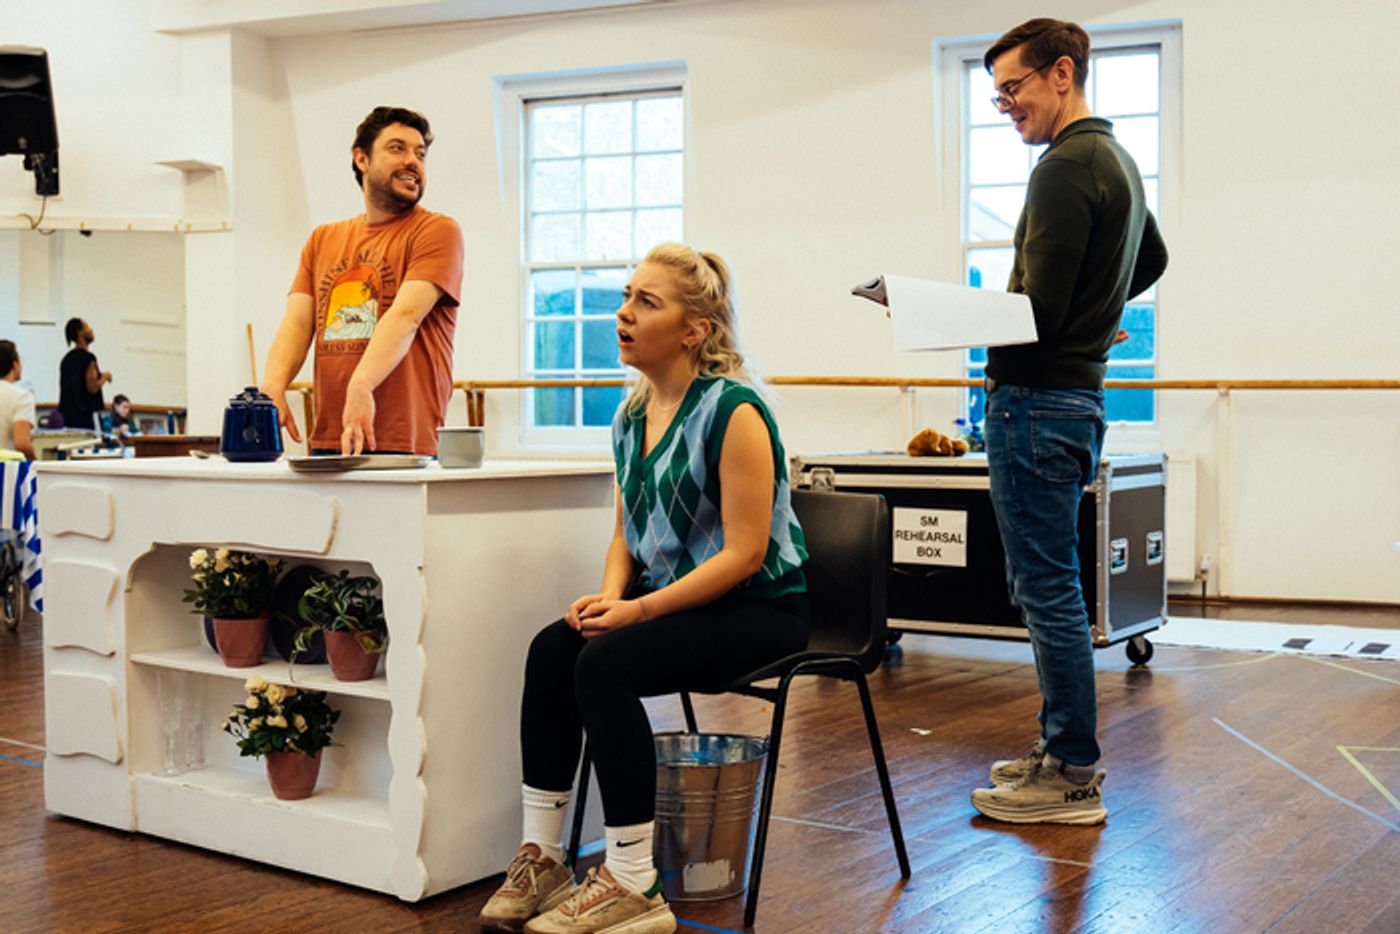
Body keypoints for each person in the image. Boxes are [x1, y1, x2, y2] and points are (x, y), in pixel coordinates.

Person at [479, 244, 811, 934]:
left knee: (606, 662)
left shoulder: (735, 412)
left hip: (760, 610)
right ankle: (542, 854)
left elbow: (747, 556)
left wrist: (634, 614)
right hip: (674, 605)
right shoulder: (630, 416)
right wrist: (607, 602)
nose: (623, 314)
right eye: (626, 297)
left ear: (694, 329)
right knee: (555, 648)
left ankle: (633, 879)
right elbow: (625, 535)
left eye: (646, 302)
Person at [970, 18, 1168, 825]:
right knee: (1047, 584)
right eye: (996, 95)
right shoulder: (1116, 160)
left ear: (1062, 73)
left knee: (1047, 590)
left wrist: (933, 313)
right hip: (1076, 401)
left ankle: (1073, 773)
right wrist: (1100, 317)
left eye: (1012, 89)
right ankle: (1060, 750)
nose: (1005, 106)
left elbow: (1037, 313)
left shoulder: (1061, 167)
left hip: (1033, 401)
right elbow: (1149, 259)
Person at [260, 106, 464, 456]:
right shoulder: (322, 240)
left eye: (420, 153)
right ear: (362, 159)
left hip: (403, 440)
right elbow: (296, 323)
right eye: (397, 148)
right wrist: (273, 387)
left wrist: (362, 384)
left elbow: (405, 316)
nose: (413, 161)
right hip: (330, 437)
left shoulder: (437, 231)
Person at [58, 317, 113, 432]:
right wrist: (105, 377)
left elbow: (78, 381)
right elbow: (92, 388)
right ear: (80, 332)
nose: (91, 329)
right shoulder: (88, 358)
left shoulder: (66, 360)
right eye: (87, 327)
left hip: (68, 418)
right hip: (86, 418)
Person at [0, 341, 36, 459]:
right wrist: (36, 465)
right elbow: (22, 444)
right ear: (15, 364)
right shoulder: (22, 397)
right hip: (6, 470)